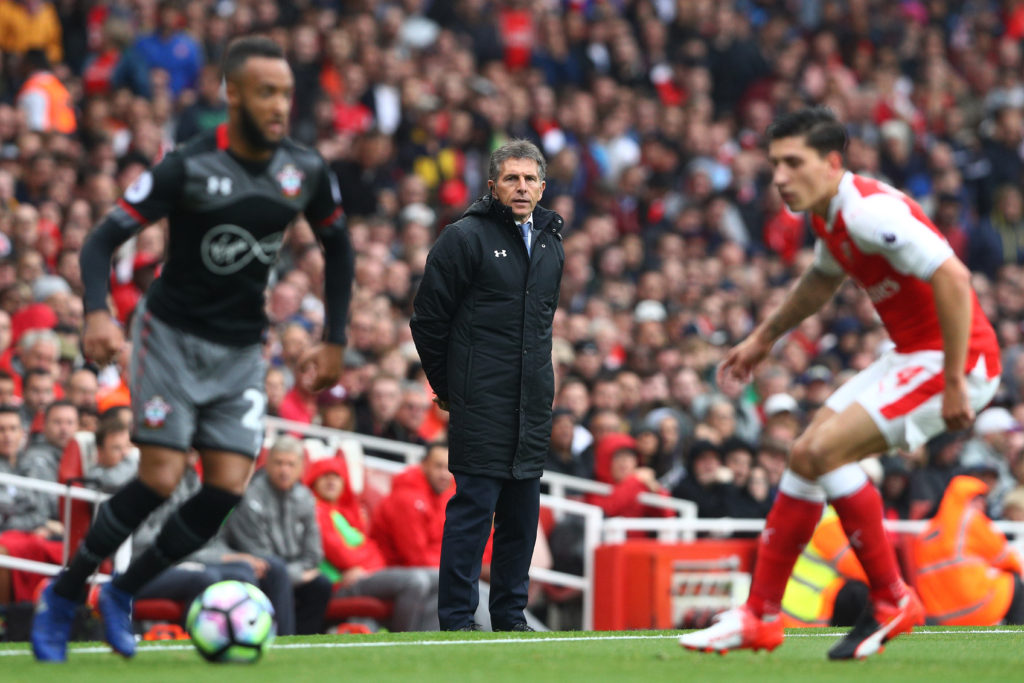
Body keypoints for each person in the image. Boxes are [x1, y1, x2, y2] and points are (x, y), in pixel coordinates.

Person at [31, 36, 355, 662]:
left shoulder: (305, 170)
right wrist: (97, 313)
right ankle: (66, 592)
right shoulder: (187, 165)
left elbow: (339, 248)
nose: (279, 104)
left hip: (239, 350)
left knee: (226, 489)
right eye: (266, 91)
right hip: (172, 337)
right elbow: (101, 241)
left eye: (286, 92)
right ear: (232, 94)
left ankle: (121, 590)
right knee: (160, 477)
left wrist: (336, 340)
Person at [680, 107, 1001, 660]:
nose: (779, 176)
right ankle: (760, 616)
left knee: (823, 451)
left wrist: (953, 380)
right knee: (805, 455)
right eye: (775, 163)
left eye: (793, 163)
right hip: (911, 356)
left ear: (831, 163)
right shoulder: (830, 215)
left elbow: (954, 276)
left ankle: (891, 599)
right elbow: (820, 280)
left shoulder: (869, 213)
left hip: (954, 362)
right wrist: (763, 339)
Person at [410, 139, 564, 631]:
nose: (521, 187)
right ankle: (456, 619)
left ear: (543, 186)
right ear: (492, 185)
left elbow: (542, 326)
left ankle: (510, 619)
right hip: (481, 400)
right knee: (473, 512)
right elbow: (428, 321)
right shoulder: (463, 238)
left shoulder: (550, 241)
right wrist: (452, 388)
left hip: (531, 401)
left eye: (530, 179)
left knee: (521, 518)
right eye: (512, 178)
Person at [220, 437, 332, 635]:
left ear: (301, 468)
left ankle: (305, 644)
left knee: (321, 585)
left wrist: (296, 572)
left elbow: (314, 553)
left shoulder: (305, 497)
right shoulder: (250, 496)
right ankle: (282, 639)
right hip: (259, 572)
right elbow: (258, 555)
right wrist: (298, 574)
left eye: (291, 464)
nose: (284, 470)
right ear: (268, 463)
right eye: (279, 463)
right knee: (277, 573)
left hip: (289, 570)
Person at [912, 474, 1024, 625]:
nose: (983, 505)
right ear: (972, 499)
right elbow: (1004, 558)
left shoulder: (928, 530)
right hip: (974, 608)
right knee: (1015, 583)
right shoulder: (970, 520)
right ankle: (1017, 641)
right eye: (980, 500)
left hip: (938, 617)